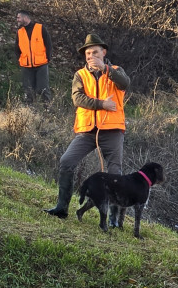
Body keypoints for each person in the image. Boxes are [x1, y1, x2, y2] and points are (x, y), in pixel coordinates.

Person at [46, 34, 130, 218]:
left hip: (113, 130)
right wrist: (101, 104)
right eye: (88, 53)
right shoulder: (80, 75)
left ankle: (115, 219)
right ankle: (61, 208)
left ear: (104, 52)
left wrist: (106, 69)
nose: (91, 56)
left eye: (95, 52)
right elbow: (77, 99)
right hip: (87, 130)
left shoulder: (115, 70)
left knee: (115, 172)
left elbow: (125, 83)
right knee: (66, 162)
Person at [15, 10, 52, 104]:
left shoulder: (40, 28)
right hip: (26, 66)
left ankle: (48, 111)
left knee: (43, 89)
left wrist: (47, 58)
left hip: (41, 64)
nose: (17, 20)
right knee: (28, 91)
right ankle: (30, 113)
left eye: (18, 17)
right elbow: (17, 48)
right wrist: (20, 60)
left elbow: (48, 44)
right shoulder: (20, 32)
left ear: (25, 17)